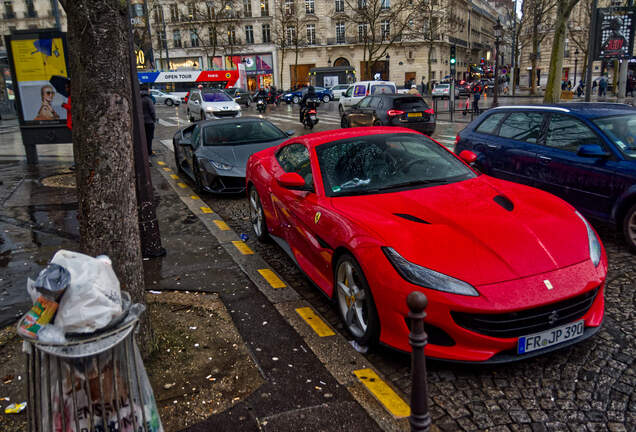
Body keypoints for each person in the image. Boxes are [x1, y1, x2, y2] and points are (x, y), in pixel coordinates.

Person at [141, 86, 157, 158]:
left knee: (143, 138)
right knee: (149, 138)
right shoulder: (148, 99)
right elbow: (152, 111)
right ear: (147, 90)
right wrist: (154, 119)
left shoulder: (139, 99)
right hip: (149, 122)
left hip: (141, 122)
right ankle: (149, 152)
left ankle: (143, 151)